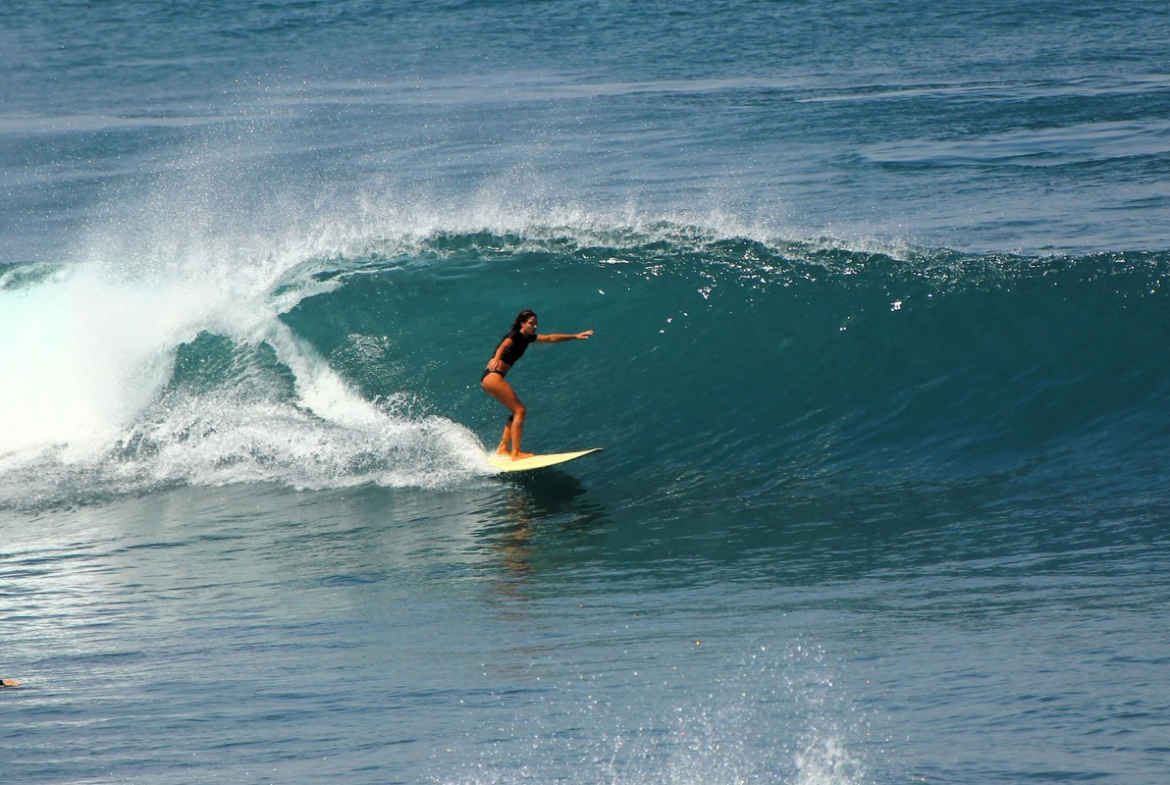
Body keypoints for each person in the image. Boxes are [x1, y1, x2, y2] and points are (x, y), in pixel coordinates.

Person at [481, 309, 593, 459]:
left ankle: (502, 448)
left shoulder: (527, 338)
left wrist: (575, 336)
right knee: (520, 411)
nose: (535, 326)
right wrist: (496, 358)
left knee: (516, 412)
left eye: (536, 323)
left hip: (491, 378)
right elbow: (503, 345)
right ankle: (515, 453)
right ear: (522, 323)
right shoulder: (516, 335)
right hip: (493, 376)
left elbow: (551, 338)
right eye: (531, 323)